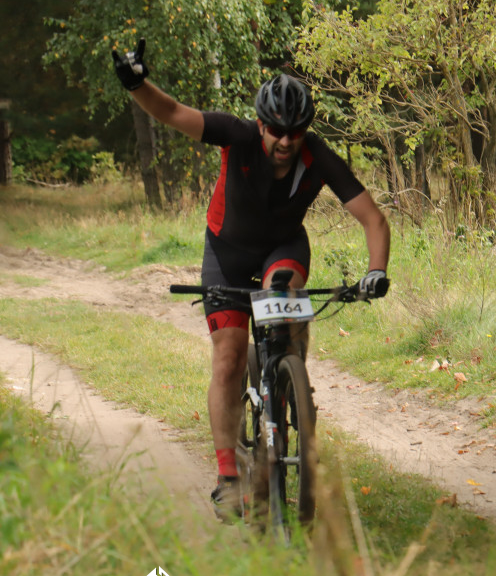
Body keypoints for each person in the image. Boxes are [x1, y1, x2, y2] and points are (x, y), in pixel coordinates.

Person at [112, 39, 391, 521]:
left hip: (282, 249)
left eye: (295, 133)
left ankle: (290, 385)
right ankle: (227, 476)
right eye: (277, 131)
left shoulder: (318, 156)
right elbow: (174, 112)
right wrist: (137, 84)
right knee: (228, 357)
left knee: (285, 297)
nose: (286, 142)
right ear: (261, 124)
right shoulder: (236, 135)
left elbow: (373, 219)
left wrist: (376, 272)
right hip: (227, 251)